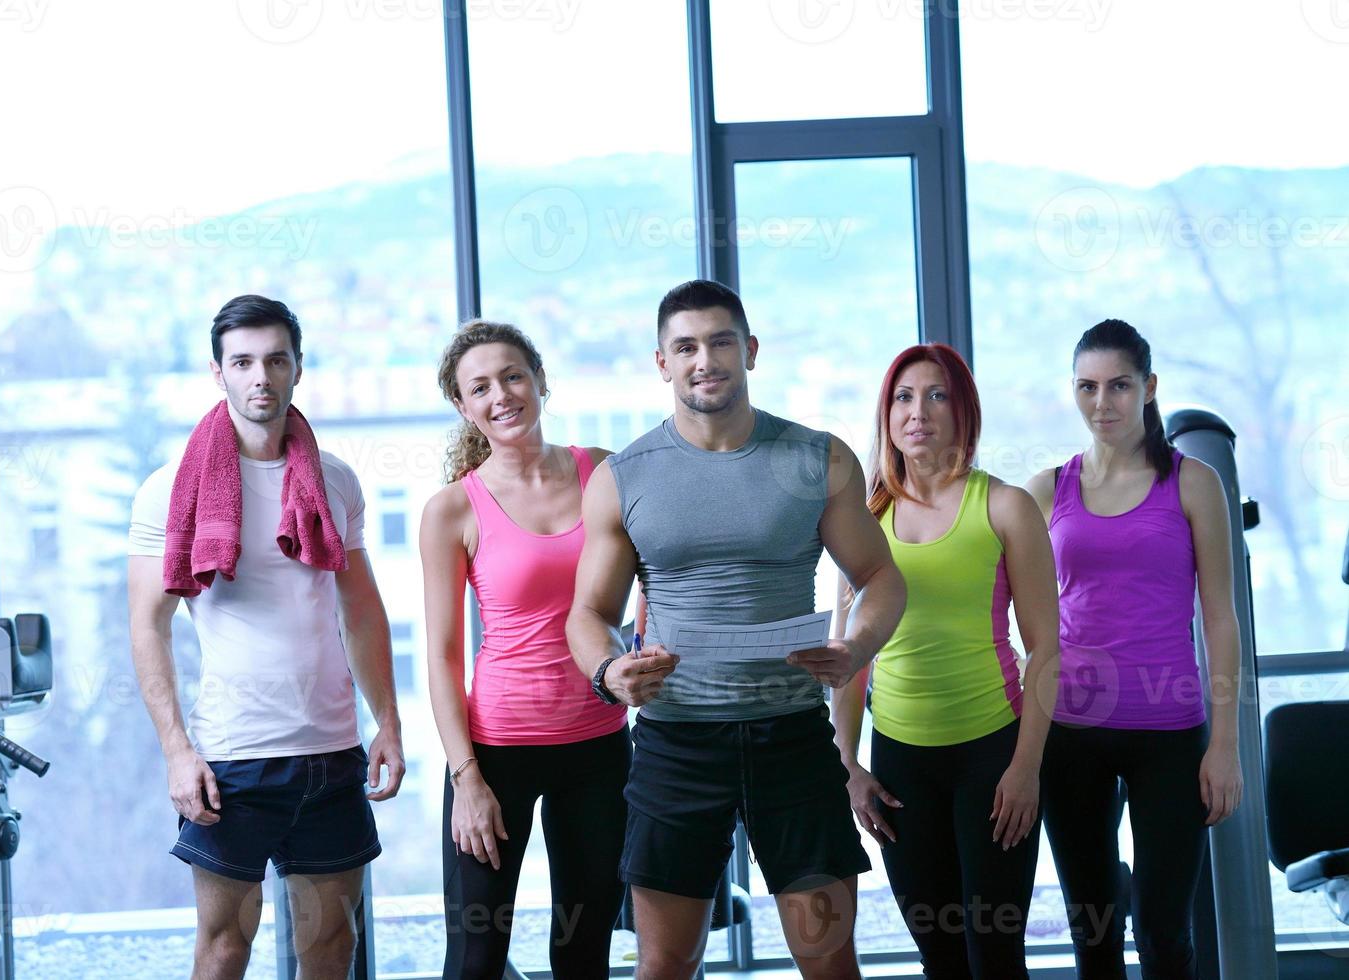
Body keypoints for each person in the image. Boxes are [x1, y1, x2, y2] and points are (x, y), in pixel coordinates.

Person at [566, 279, 907, 980]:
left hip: (792, 737)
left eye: (720, 341)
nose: (704, 359)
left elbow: (881, 577)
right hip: (676, 742)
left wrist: (855, 649)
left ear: (749, 350)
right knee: (664, 965)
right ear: (661, 362)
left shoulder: (818, 457)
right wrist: (608, 671)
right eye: (685, 346)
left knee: (827, 961)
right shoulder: (620, 477)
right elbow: (587, 614)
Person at [128, 295, 404, 980]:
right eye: (243, 361)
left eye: (275, 360)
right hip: (233, 759)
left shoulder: (334, 479)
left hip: (332, 754)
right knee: (225, 949)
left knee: (332, 950)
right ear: (217, 373)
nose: (261, 377)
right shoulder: (170, 490)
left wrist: (389, 724)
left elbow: (363, 612)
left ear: (297, 369)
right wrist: (175, 752)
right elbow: (148, 624)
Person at [1024, 319, 1244, 979]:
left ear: (1147, 388)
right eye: (1086, 387)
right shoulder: (1045, 489)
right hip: (1071, 731)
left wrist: (1224, 744)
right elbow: (1008, 611)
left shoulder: (1194, 482)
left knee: (1163, 933)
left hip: (1169, 735)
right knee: (1092, 934)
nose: (1102, 402)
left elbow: (1220, 619)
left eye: (1118, 385)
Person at [833, 343, 1060, 979]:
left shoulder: (1005, 506)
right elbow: (849, 661)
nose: (918, 411)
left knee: (994, 957)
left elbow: (1046, 648)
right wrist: (847, 764)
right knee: (939, 956)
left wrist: (1026, 767)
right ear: (886, 415)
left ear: (963, 411)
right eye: (903, 397)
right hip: (901, 763)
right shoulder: (864, 519)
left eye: (936, 395)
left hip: (993, 755)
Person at [420, 320, 630, 979]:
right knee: (476, 959)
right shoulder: (452, 509)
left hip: (598, 748)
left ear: (540, 381)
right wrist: (466, 779)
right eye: (479, 387)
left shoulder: (602, 471)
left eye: (512, 376)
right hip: (497, 756)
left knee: (584, 950)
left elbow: (658, 573)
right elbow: (442, 655)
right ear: (462, 407)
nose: (501, 395)